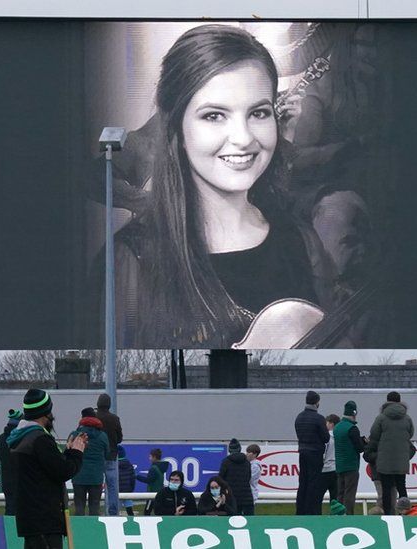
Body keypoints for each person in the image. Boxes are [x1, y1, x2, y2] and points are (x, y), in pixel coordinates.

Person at [106, 23, 336, 350]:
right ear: (177, 128)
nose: (243, 138)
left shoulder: (302, 242)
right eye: (214, 116)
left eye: (258, 112)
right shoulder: (131, 259)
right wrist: (149, 206)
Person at [8, 388, 86, 549]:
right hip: (45, 520)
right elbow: (63, 471)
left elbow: (45, 468)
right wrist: (76, 453)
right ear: (46, 413)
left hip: (30, 520)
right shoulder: (40, 439)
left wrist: (67, 453)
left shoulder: (21, 437)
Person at [368, 391, 414, 515]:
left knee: (386, 489)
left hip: (385, 460)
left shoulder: (381, 418)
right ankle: (406, 512)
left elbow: (374, 436)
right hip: (401, 460)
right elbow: (410, 434)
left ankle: (389, 514)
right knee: (401, 487)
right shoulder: (407, 418)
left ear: (387, 401)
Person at [294, 390, 329, 515]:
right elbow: (326, 438)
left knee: (303, 481)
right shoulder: (319, 418)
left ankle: (300, 510)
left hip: (302, 451)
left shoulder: (299, 417)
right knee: (313, 483)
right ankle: (311, 511)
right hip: (315, 453)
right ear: (317, 402)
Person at [70, 408, 109, 516]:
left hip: (78, 476)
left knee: (79, 507)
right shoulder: (103, 436)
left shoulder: (75, 435)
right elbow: (107, 454)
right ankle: (94, 530)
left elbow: (68, 453)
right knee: (94, 507)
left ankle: (78, 530)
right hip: (96, 477)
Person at [334, 400, 366, 514]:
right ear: (354, 413)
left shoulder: (337, 427)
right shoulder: (352, 428)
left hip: (339, 465)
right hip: (351, 465)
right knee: (349, 494)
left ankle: (339, 514)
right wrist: (364, 442)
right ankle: (349, 515)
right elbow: (359, 448)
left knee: (340, 493)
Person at [95, 393, 123, 516]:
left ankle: (94, 510)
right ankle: (113, 512)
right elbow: (119, 438)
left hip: (97, 456)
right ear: (109, 404)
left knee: (95, 485)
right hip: (111, 456)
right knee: (112, 486)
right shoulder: (114, 419)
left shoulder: (94, 418)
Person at [0, 408, 23, 516]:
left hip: (7, 478)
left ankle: (9, 531)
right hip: (21, 479)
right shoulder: (21, 438)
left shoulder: (1, 438)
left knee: (10, 508)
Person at [219, 438, 254, 515]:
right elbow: (248, 478)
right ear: (240, 449)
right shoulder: (247, 462)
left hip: (231, 497)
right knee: (250, 522)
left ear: (230, 450)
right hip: (247, 496)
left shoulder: (226, 462)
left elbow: (220, 479)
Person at [136, 448, 170, 516]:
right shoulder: (160, 467)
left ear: (154, 457)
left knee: (147, 512)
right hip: (159, 492)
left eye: (150, 456)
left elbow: (149, 480)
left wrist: (137, 476)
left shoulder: (154, 468)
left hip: (152, 493)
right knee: (158, 511)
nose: (149, 458)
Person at [319, 414, 340, 507]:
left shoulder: (326, 437)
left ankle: (317, 517)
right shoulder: (340, 437)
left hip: (325, 470)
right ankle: (335, 518)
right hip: (336, 469)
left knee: (318, 497)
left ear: (331, 424)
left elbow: (323, 453)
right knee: (335, 498)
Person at [117, 445, 136, 517]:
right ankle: (132, 520)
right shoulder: (129, 465)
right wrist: (131, 489)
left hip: (118, 490)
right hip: (127, 490)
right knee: (129, 508)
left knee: (116, 509)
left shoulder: (114, 466)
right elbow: (133, 478)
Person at [246, 444, 261, 513]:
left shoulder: (255, 466)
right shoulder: (248, 464)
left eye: (249, 453)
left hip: (251, 493)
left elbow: (248, 478)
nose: (247, 454)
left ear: (255, 454)